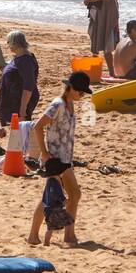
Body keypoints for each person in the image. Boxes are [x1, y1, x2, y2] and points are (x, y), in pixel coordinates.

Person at [27, 70, 92, 247]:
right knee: (51, 199)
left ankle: (68, 235)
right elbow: (38, 126)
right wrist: (45, 153)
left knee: (73, 195)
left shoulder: (70, 105)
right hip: (54, 160)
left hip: (65, 160)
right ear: (71, 88)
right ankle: (35, 235)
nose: (82, 95)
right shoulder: (58, 104)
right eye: (81, 91)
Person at [84, 0, 119, 77]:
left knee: (107, 44)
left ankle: (112, 73)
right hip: (97, 16)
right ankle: (94, 70)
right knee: (94, 40)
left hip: (108, 16)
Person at [0, 30, 39, 126]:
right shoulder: (19, 56)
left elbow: (29, 85)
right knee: (15, 129)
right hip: (13, 99)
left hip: (19, 101)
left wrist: (22, 110)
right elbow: (14, 73)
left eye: (8, 42)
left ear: (15, 43)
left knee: (20, 129)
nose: (8, 45)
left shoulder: (26, 60)